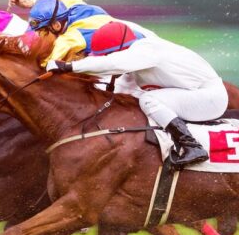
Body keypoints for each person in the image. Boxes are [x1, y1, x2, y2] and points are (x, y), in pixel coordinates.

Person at [46, 21, 228, 167]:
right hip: (194, 94)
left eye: (107, 55)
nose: (105, 60)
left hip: (209, 98)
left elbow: (112, 64)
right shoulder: (136, 60)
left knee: (149, 99)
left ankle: (191, 146)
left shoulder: (145, 51)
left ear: (119, 50)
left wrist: (69, 67)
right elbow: (119, 88)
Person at [9, 0, 154, 64]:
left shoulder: (73, 38)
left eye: (41, 32)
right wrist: (30, 3)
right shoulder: (70, 3)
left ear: (56, 25)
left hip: (141, 50)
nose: (39, 36)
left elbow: (46, 61)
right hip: (131, 32)